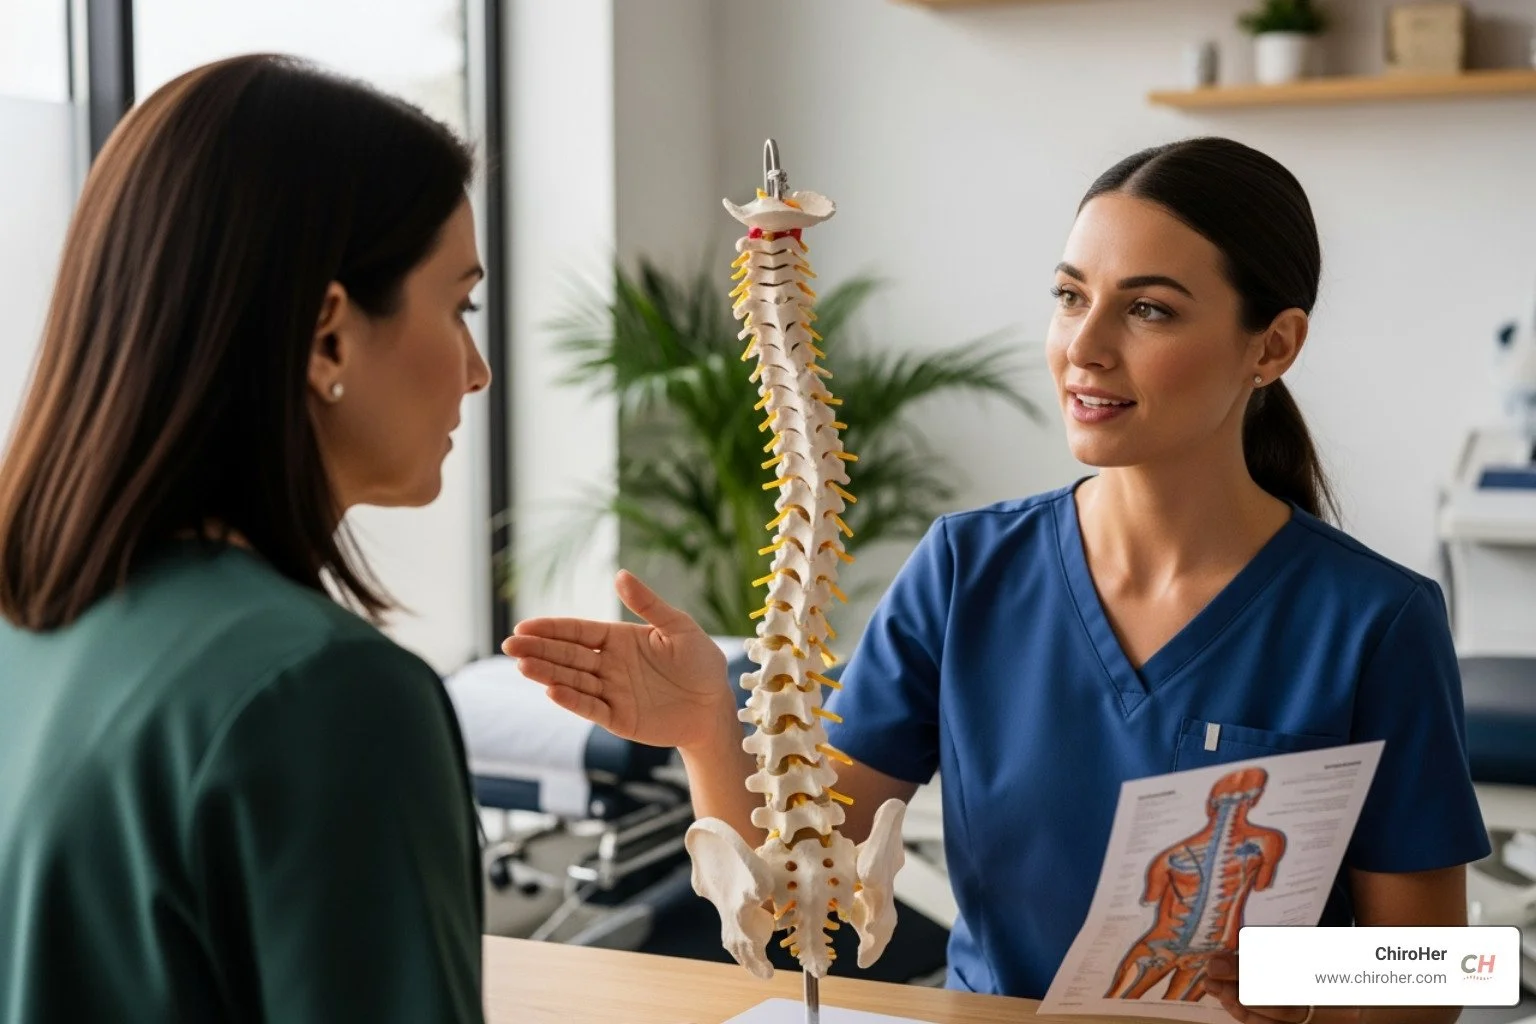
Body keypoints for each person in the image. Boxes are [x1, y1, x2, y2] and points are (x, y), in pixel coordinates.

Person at [503, 137, 1488, 1024]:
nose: (1085, 346)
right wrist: (708, 727)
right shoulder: (967, 571)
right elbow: (804, 884)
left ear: (1272, 345)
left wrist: (1309, 985)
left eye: (1148, 308)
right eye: (1070, 296)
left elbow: (1443, 971)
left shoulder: (1374, 620)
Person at [0, 55, 491, 1021]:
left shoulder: (25, 630)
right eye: (459, 304)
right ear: (327, 336)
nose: (475, 371)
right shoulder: (325, 697)